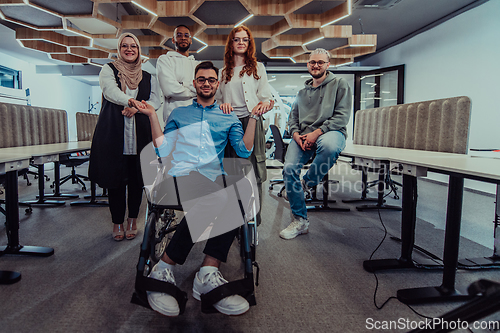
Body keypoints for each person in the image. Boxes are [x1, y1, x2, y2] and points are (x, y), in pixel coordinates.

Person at [137, 61, 259, 316]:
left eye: (211, 79)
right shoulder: (179, 115)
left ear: (217, 84)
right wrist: (152, 116)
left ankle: (208, 271)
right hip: (180, 176)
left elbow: (244, 150)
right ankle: (164, 266)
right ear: (195, 83)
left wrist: (254, 118)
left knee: (239, 195)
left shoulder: (228, 116)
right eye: (201, 79)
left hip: (212, 179)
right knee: (217, 196)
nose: (206, 83)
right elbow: (162, 150)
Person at [89, 33, 160, 241]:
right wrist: (131, 101)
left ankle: (132, 220)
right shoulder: (108, 70)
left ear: (138, 50)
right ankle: (117, 221)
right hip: (113, 134)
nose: (129, 49)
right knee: (116, 181)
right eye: (125, 46)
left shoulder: (148, 76)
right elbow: (110, 91)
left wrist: (136, 109)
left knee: (137, 180)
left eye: (133, 46)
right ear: (119, 49)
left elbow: (156, 100)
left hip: (140, 136)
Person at [280, 48, 352, 240]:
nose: (316, 65)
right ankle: (300, 221)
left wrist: (316, 133)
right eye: (313, 62)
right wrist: (295, 134)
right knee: (288, 168)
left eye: (321, 62)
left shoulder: (340, 84)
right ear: (308, 65)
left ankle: (306, 184)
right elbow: (292, 118)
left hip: (330, 131)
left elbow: (342, 116)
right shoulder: (302, 93)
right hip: (302, 136)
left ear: (328, 65)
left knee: (330, 147)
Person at [217, 25, 273, 226]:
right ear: (230, 43)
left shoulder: (258, 68)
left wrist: (265, 105)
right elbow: (215, 101)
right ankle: (234, 221)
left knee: (253, 171)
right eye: (236, 39)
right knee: (232, 172)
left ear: (249, 44)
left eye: (245, 39)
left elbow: (266, 98)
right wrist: (221, 104)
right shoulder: (223, 72)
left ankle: (252, 224)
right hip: (230, 124)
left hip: (252, 122)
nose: (241, 42)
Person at [157, 24, 199, 123]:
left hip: (195, 117)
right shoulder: (165, 60)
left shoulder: (197, 65)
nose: (183, 38)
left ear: (190, 40)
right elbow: (169, 90)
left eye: (186, 35)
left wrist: (181, 84)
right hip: (173, 118)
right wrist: (193, 90)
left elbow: (202, 89)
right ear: (173, 39)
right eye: (179, 35)